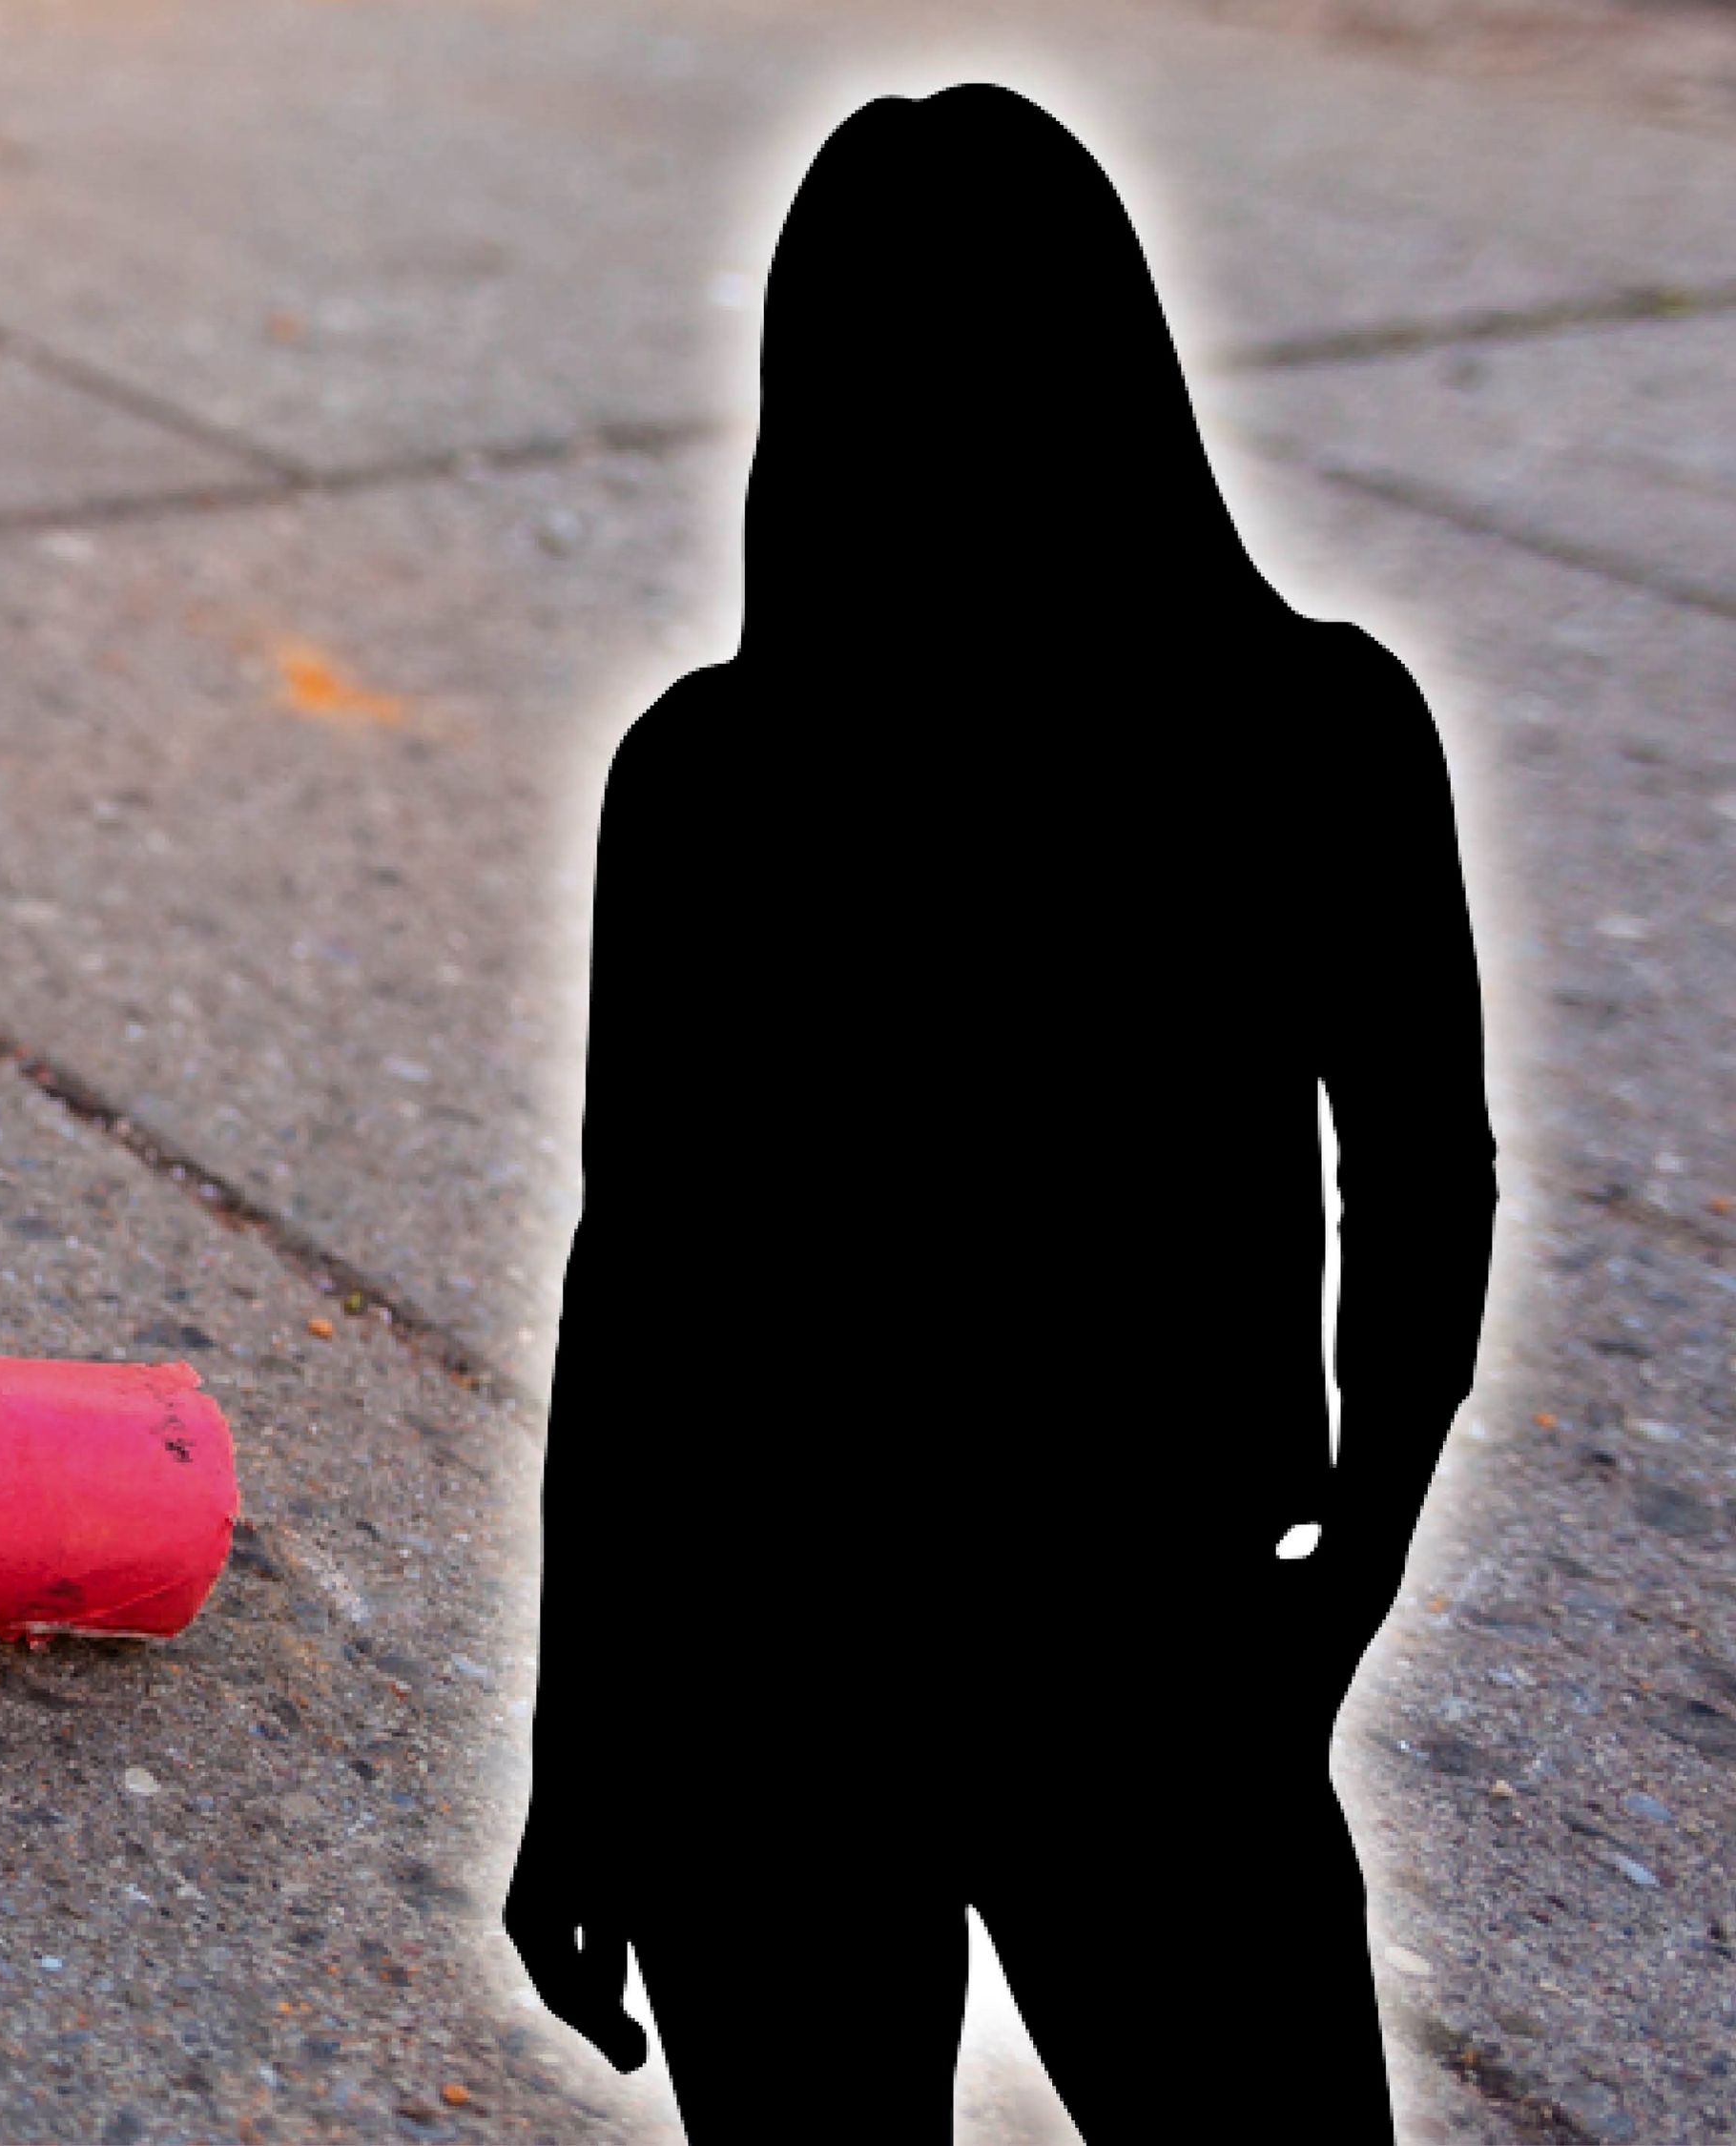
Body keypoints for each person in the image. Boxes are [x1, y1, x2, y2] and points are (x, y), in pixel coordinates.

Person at [501, 84, 1498, 2142]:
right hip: (1139, 1651)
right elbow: (1419, 1171)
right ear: (1115, 355)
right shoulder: (1314, 728)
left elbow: (644, 1298)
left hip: (762, 1673)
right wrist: (1353, 1543)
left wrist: (584, 1767)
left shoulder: (709, 779)